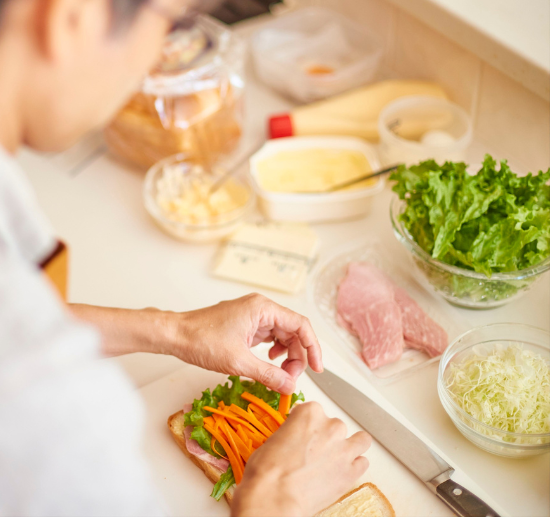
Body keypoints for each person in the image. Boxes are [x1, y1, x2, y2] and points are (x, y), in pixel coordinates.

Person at [0, 1, 371, 516]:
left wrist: (174, 330)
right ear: (72, 16)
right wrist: (274, 500)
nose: (156, 62)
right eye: (171, 25)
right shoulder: (58, 411)